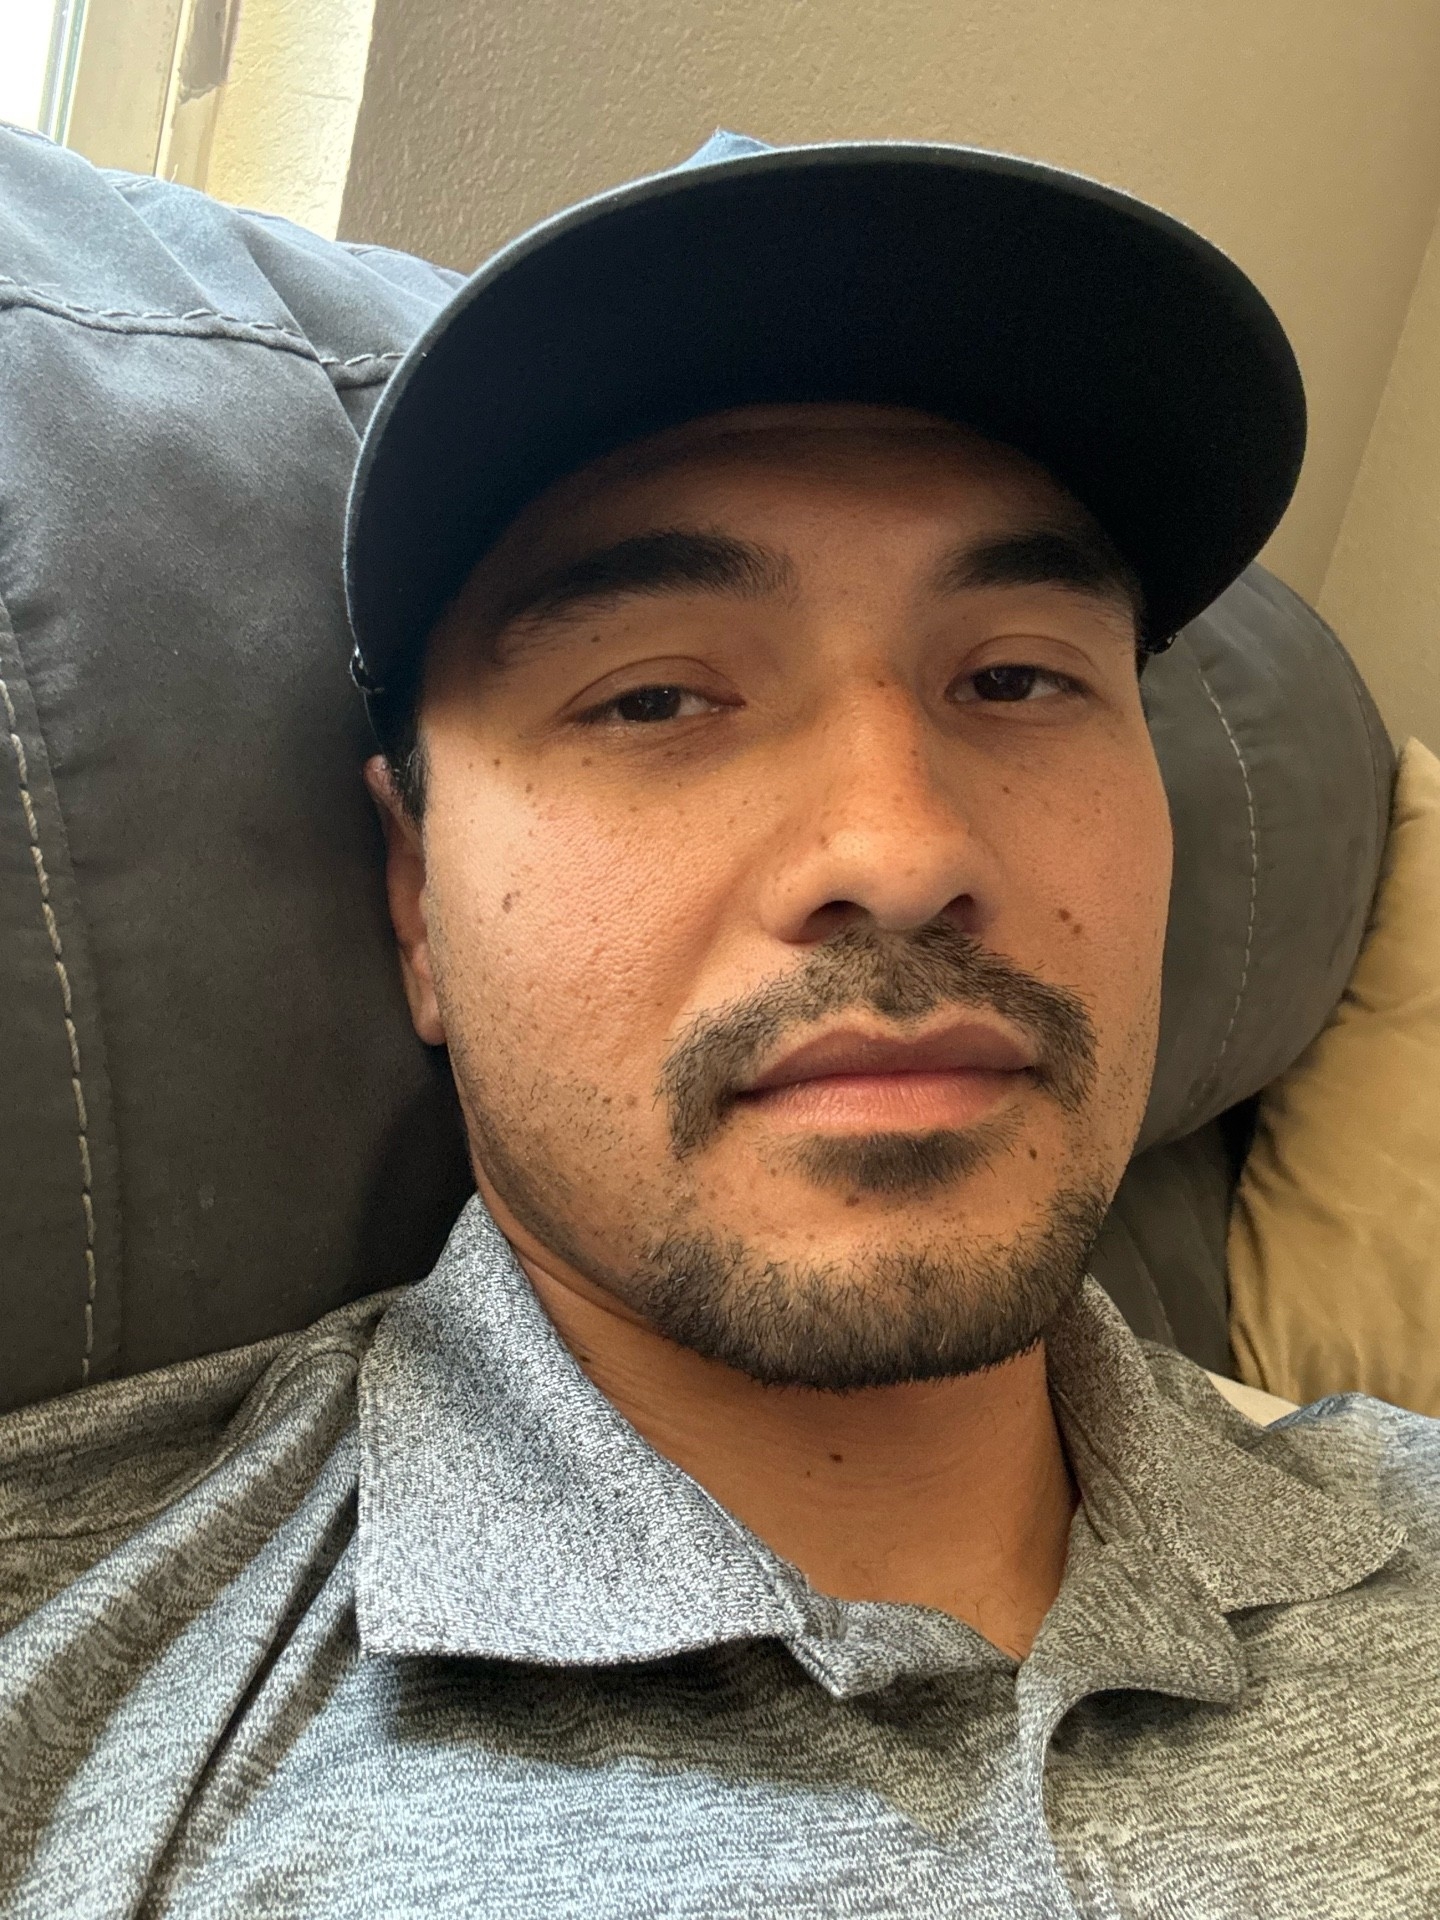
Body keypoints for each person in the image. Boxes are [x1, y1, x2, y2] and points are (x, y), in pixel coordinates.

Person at [1, 131, 1436, 1919]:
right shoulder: (74, 1712)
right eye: (655, 698)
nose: (901, 853)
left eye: (1016, 677)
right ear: (416, 901)